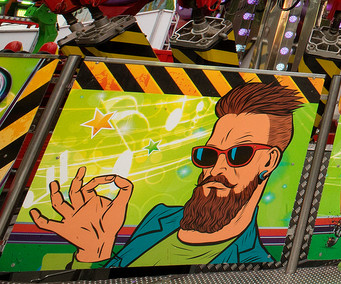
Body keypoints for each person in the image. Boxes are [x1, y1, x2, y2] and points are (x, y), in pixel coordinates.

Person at [31, 81, 302, 267]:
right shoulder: (162, 217)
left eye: (239, 154)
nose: (216, 170)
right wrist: (94, 252)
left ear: (269, 162)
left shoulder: (255, 263)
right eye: (208, 155)